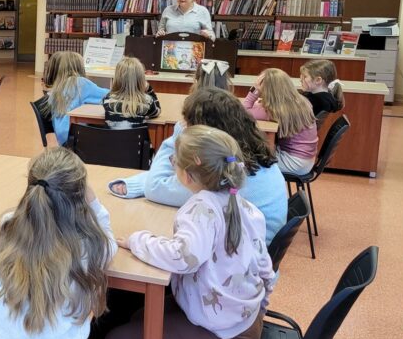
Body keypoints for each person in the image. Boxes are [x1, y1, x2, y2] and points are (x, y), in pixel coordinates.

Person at [106, 125, 275, 339]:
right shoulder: (244, 205)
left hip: (226, 334)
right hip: (243, 321)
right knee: (142, 317)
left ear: (186, 174)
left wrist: (138, 240)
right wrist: (259, 310)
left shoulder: (201, 208)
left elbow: (182, 258)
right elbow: (267, 270)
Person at [0, 148, 136, 339]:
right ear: (79, 197)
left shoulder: (9, 225)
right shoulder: (90, 246)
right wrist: (94, 203)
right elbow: (108, 238)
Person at [108, 87, 287, 243]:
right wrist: (139, 184)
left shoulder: (220, 177)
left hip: (231, 267)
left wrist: (177, 138)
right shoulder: (242, 159)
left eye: (187, 123)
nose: (183, 125)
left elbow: (155, 188)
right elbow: (177, 179)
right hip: (248, 257)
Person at [243, 68, 318, 175]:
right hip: (306, 160)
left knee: (246, 159)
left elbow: (243, 112)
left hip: (294, 162)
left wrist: (254, 90)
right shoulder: (301, 101)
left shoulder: (275, 111)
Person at [46, 51, 108, 147]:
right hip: (75, 135)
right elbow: (108, 95)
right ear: (79, 67)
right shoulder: (82, 83)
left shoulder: (58, 87)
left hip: (61, 136)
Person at [102, 57, 160, 130]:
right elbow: (157, 112)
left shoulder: (107, 99)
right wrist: (149, 89)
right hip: (137, 141)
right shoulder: (147, 101)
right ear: (141, 79)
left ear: (117, 78)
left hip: (111, 141)